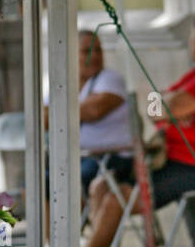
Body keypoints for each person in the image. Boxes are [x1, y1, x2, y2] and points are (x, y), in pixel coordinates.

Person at [81, 12, 195, 247]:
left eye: (191, 36)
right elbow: (154, 108)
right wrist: (173, 112)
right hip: (171, 158)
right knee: (100, 187)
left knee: (117, 199)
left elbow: (163, 107)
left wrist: (171, 110)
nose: (190, 42)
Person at [44, 29, 134, 197]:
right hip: (75, 158)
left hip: (110, 159)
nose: (94, 56)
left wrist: (56, 111)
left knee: (67, 185)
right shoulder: (59, 83)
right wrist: (76, 109)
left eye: (98, 50)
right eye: (87, 51)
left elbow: (94, 110)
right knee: (39, 185)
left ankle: (76, 223)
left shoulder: (110, 78)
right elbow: (43, 121)